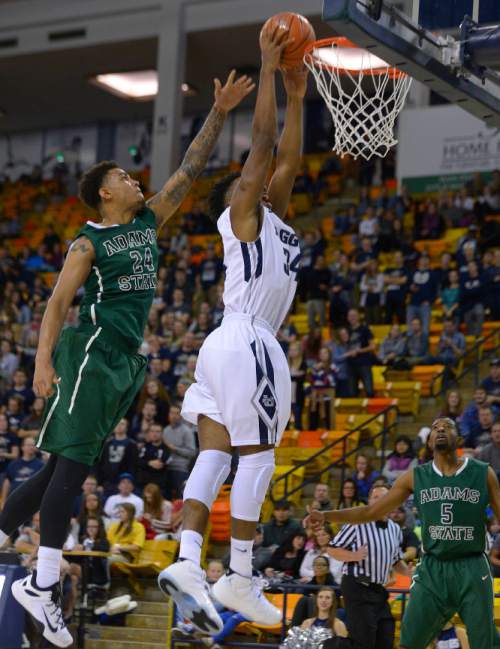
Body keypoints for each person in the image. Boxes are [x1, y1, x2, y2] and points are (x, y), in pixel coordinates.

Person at [0, 72, 252, 647]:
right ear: (104, 194)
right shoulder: (89, 243)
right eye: (121, 175)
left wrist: (217, 111)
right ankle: (40, 585)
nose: (134, 177)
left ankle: (6, 538)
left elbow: (190, 167)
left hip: (122, 363)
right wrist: (42, 364)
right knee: (70, 470)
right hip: (89, 351)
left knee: (57, 469)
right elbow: (58, 302)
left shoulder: (147, 220)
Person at [158, 28, 306, 632]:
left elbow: (290, 157)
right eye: (259, 177)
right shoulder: (242, 210)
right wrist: (269, 69)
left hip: (223, 346)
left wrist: (300, 94)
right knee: (259, 457)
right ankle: (241, 575)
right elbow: (267, 146)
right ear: (243, 190)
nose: (272, 180)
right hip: (249, 339)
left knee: (215, 451)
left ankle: (189, 560)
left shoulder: (273, 217)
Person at [306, 417, 500, 649]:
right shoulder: (415, 476)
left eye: (446, 427)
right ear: (429, 443)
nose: (440, 429)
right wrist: (326, 515)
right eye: (435, 427)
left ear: (458, 439)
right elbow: (371, 511)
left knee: (484, 643)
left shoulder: (483, 473)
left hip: (472, 566)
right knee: (409, 642)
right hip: (433, 568)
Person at [327, 484, 410, 649]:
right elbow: (332, 548)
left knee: (386, 636)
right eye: (375, 497)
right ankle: (325, 646)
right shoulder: (357, 523)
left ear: (391, 502)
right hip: (357, 586)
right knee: (363, 642)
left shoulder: (395, 529)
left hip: (379, 590)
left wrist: (411, 573)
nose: (379, 501)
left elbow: (396, 561)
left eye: (384, 497)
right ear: (370, 501)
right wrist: (353, 556)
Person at [162, 404, 197, 500]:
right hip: (165, 468)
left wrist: (174, 448)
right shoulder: (165, 430)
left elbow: (192, 453)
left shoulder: (187, 431)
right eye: (171, 413)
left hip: (180, 469)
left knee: (180, 499)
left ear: (181, 416)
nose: (173, 416)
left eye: (176, 413)